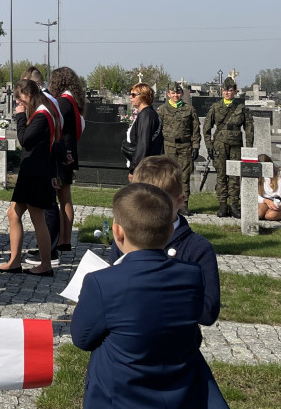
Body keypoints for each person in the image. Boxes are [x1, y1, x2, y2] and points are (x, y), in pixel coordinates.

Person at [73, 182, 225, 409]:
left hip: (121, 394)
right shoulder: (192, 275)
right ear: (171, 230)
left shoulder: (101, 281)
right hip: (180, 390)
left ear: (118, 232)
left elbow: (82, 338)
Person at [111, 155, 221, 326]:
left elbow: (208, 311)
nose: (150, 213)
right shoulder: (125, 237)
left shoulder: (198, 248)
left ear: (179, 202)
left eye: (159, 205)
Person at [0, 78, 60, 277]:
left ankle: (45, 264)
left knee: (37, 218)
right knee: (13, 214)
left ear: (29, 95)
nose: (18, 104)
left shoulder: (42, 114)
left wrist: (20, 117)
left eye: (20, 100)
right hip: (31, 170)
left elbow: (24, 140)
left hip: (36, 172)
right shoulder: (43, 112)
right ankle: (14, 261)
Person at [203, 77, 254, 218]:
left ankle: (234, 206)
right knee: (221, 176)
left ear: (235, 92)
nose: (227, 93)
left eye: (230, 90)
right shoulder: (216, 107)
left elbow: (249, 127)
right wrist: (209, 146)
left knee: (235, 176)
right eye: (225, 90)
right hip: (220, 145)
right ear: (222, 91)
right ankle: (222, 205)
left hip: (236, 146)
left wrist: (249, 147)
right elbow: (206, 128)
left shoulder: (241, 108)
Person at [48, 66, 86, 251]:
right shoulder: (73, 100)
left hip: (63, 155)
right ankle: (65, 239)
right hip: (69, 153)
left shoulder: (63, 102)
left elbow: (56, 127)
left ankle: (63, 239)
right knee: (65, 197)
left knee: (62, 197)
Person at [156, 81, 201, 214]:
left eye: (178, 92)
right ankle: (168, 203)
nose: (176, 95)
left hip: (185, 146)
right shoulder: (163, 110)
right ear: (168, 94)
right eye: (173, 92)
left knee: (184, 176)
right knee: (168, 176)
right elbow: (158, 130)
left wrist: (196, 146)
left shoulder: (189, 109)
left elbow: (195, 129)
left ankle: (183, 204)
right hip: (169, 146)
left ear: (181, 94)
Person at [124, 82, 163, 176]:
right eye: (130, 94)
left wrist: (134, 169)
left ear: (143, 96)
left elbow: (143, 144)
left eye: (133, 95)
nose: (130, 97)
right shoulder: (146, 113)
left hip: (145, 168)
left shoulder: (146, 115)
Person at [257, 153, 281, 221]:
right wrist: (265, 201)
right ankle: (264, 213)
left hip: (278, 202)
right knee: (258, 213)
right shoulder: (258, 177)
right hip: (265, 201)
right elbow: (256, 195)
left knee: (270, 216)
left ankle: (275, 213)